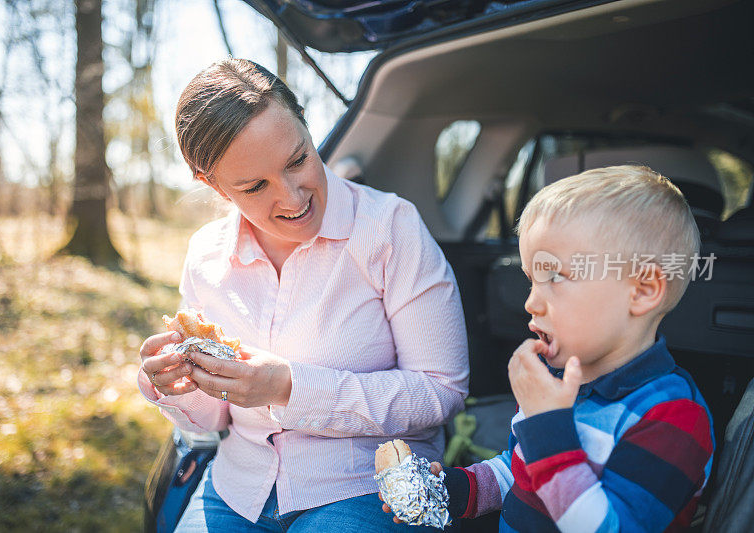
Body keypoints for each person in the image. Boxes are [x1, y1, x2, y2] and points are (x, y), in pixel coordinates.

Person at [137, 58, 469, 532]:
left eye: (298, 160)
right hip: (238, 489)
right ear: (211, 184)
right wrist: (175, 387)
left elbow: (442, 390)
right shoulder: (205, 256)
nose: (294, 198)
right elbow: (214, 421)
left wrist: (288, 387)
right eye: (255, 186)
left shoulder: (391, 229)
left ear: (308, 130)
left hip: (367, 487)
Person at [382, 165, 714, 531]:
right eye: (531, 281)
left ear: (642, 290)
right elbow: (521, 471)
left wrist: (546, 427)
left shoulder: (672, 417)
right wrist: (460, 490)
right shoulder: (558, 384)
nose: (531, 303)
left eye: (556, 277)